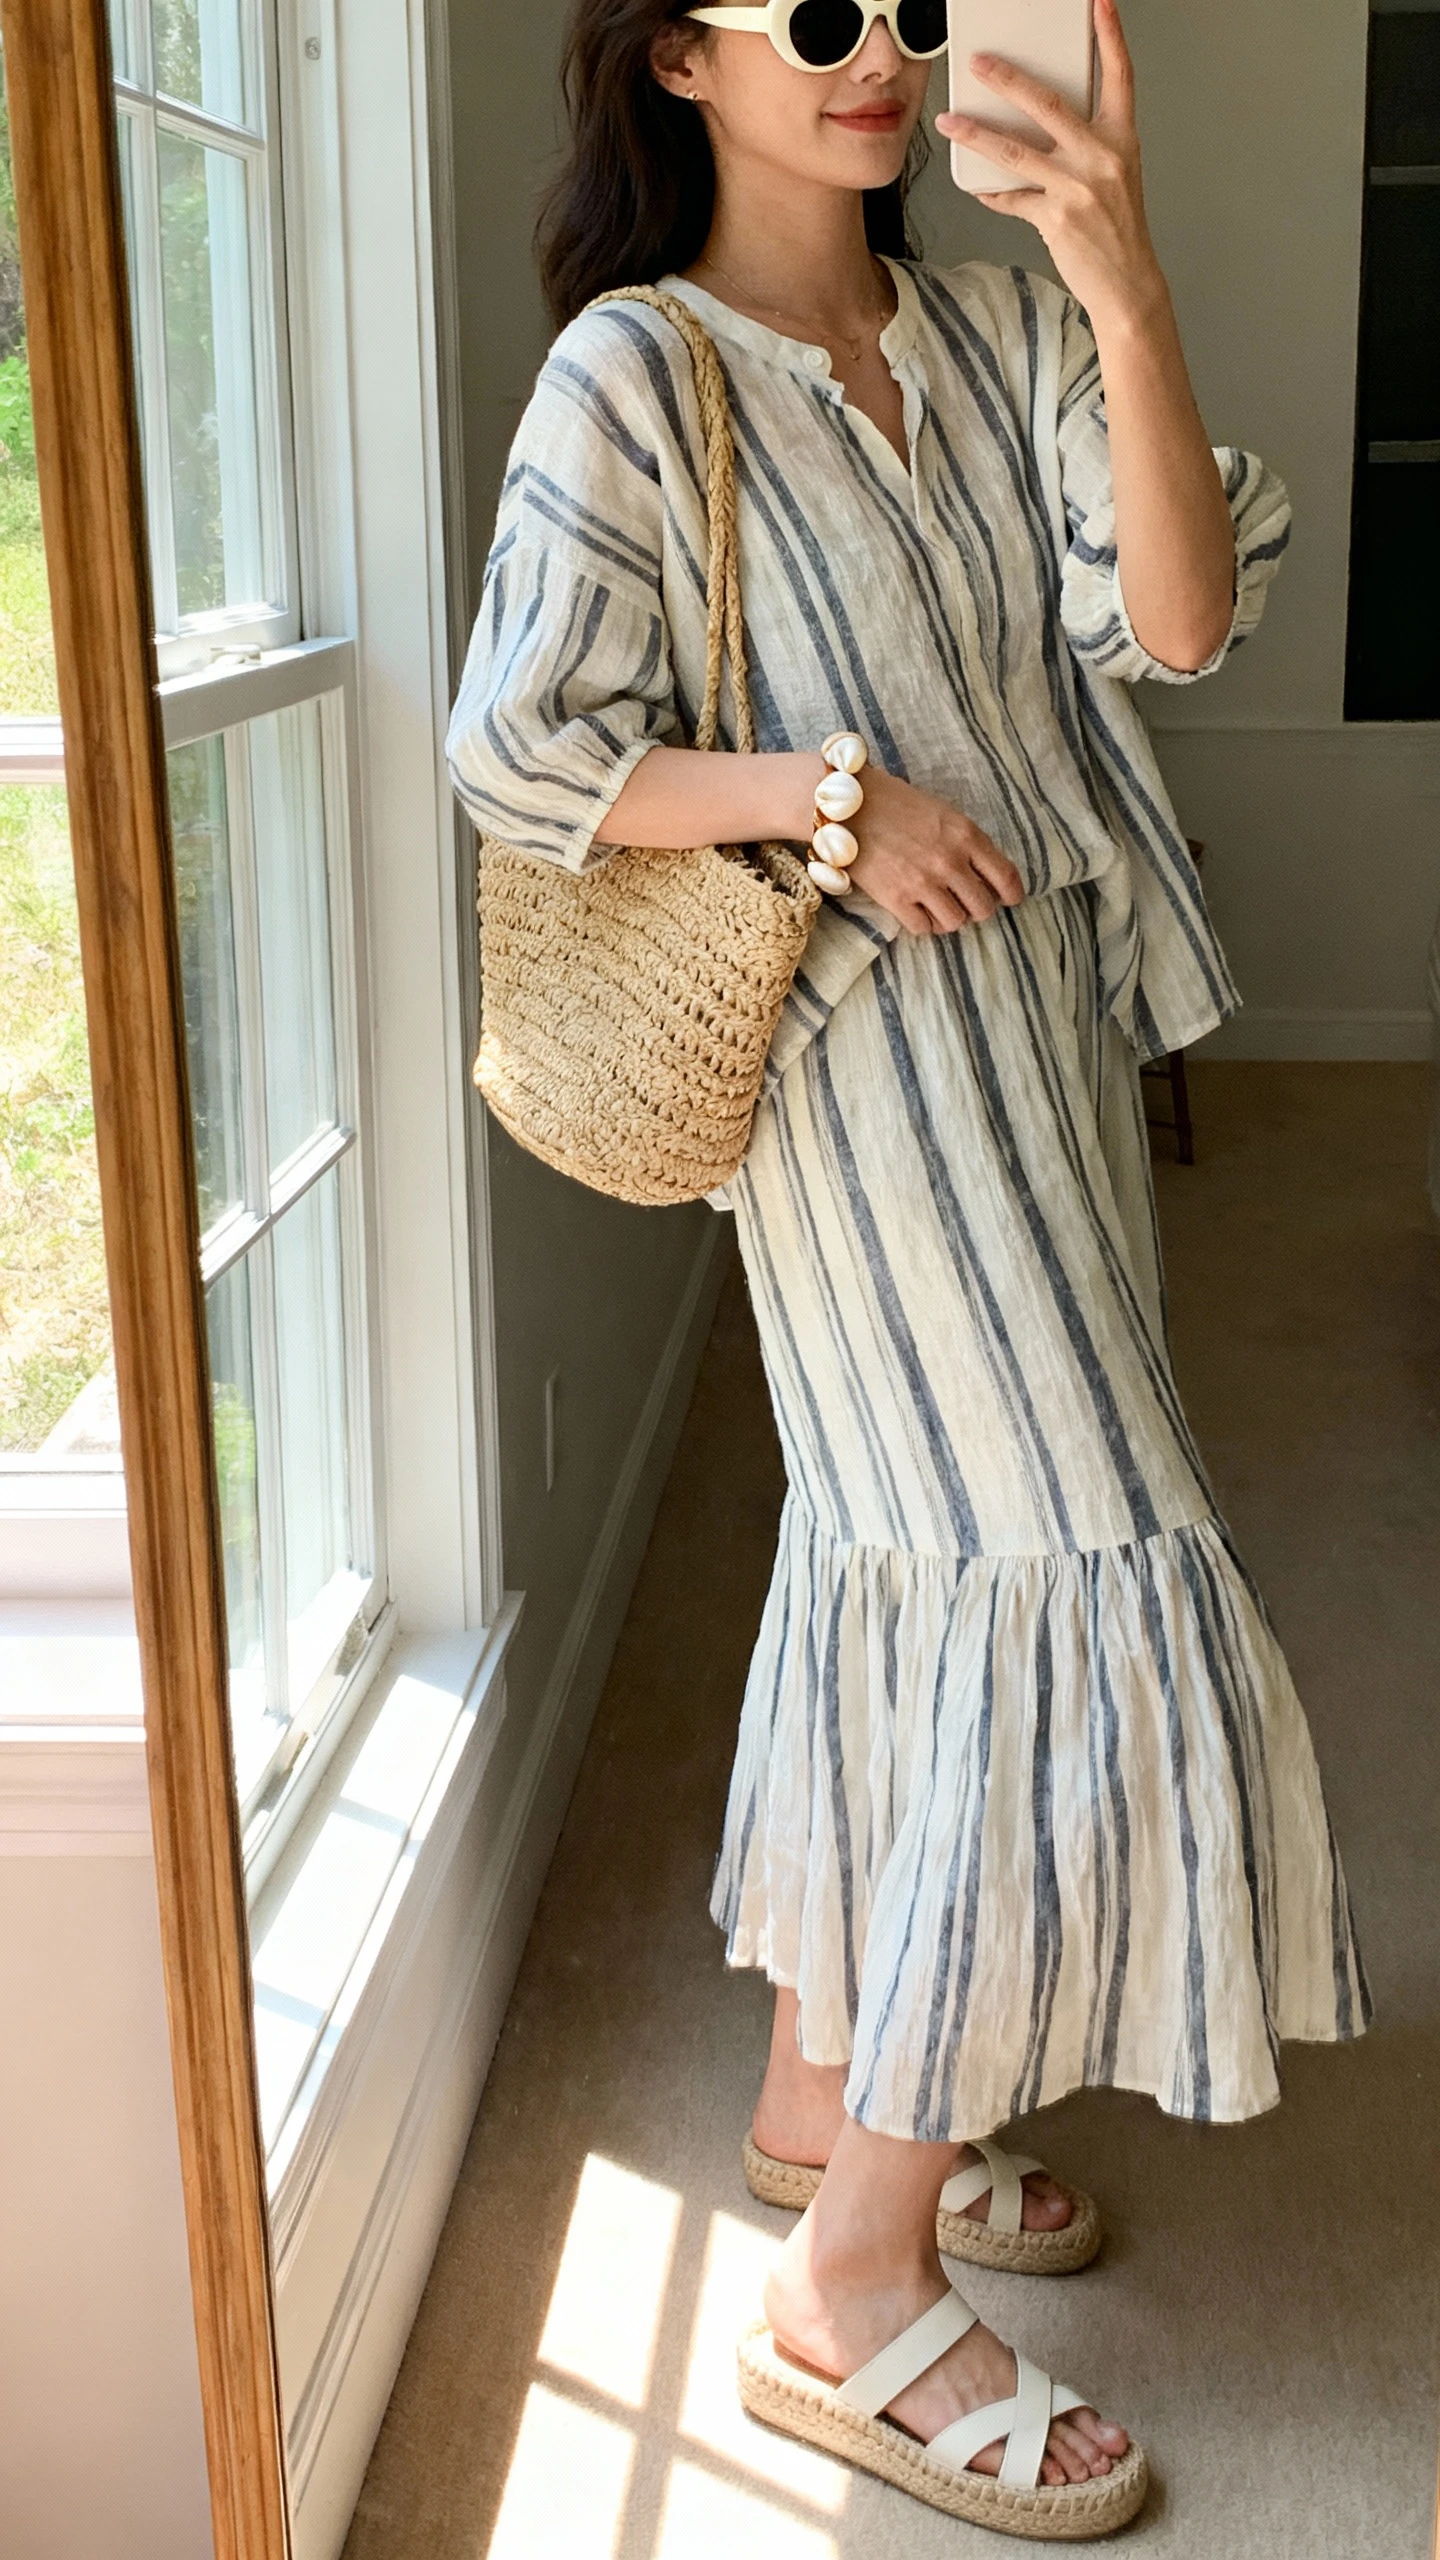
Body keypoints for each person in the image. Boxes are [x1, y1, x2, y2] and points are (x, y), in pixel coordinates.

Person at [447, 0, 1368, 2534]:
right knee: (1077, 1559)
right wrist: (833, 799)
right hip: (856, 1085)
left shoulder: (987, 330)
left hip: (1048, 1032)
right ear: (678, 59)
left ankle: (817, 2091)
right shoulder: (639, 378)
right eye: (820, 14)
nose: (881, 52)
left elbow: (1179, 624)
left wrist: (1122, 270)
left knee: (908, 1553)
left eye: (914, 10)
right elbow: (520, 740)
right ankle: (848, 2276)